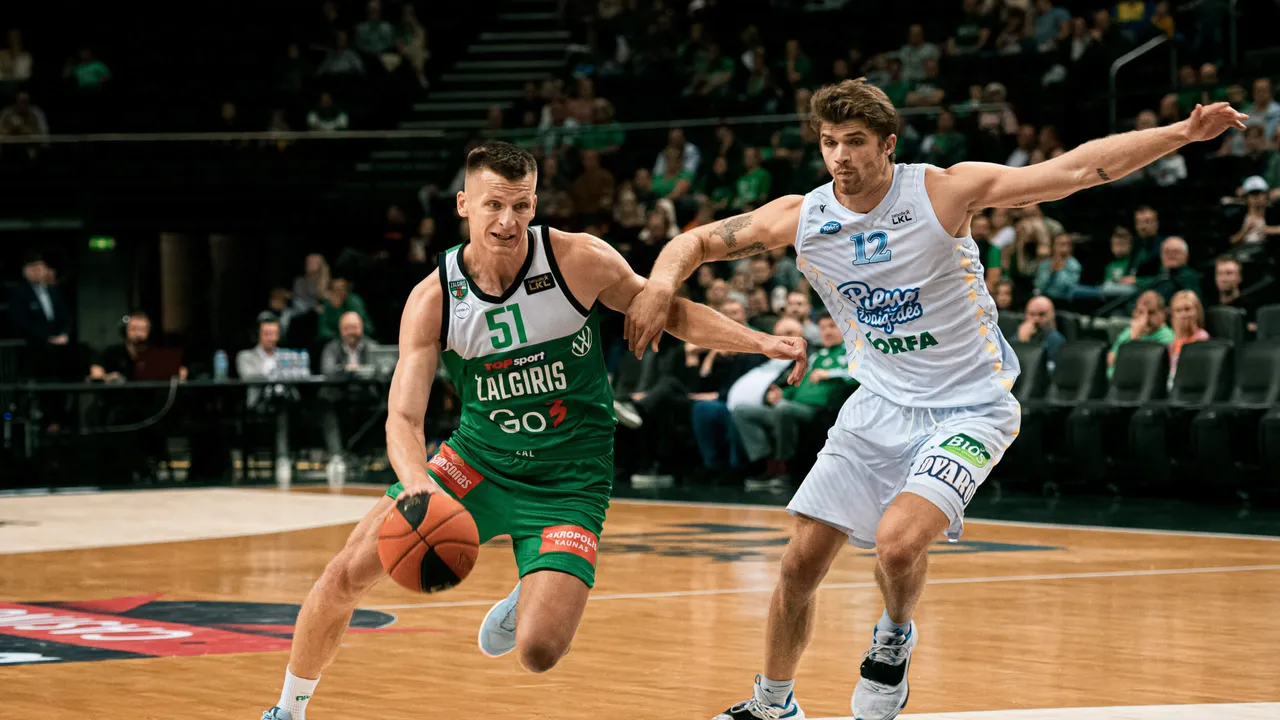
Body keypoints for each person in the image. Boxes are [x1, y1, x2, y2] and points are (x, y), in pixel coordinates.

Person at [622, 79, 1245, 720]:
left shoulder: (941, 192)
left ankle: (894, 635)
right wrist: (659, 286)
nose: (840, 156)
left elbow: (1075, 171)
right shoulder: (804, 215)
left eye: (855, 142)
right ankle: (772, 705)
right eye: (830, 142)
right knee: (798, 564)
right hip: (878, 404)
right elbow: (695, 241)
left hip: (971, 406)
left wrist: (1181, 133)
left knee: (896, 545)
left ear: (888, 145)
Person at [259, 141, 808, 720]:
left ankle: (534, 580)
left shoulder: (579, 260)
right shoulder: (433, 298)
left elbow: (670, 311)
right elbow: (404, 417)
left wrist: (762, 342)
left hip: (569, 480)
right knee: (344, 575)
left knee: (539, 651)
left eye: (521, 206)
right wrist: (417, 486)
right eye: (494, 205)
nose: (508, 221)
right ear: (464, 204)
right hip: (474, 464)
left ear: (535, 204)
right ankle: (287, 711)